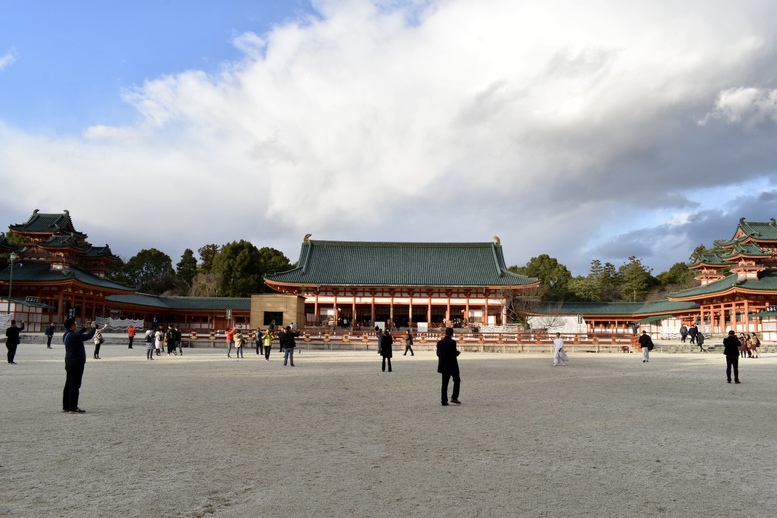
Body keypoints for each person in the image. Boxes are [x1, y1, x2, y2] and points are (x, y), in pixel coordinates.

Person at [62, 318, 100, 413]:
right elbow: (89, 336)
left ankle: (66, 405)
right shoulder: (74, 336)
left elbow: (77, 334)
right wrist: (93, 327)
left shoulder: (66, 335)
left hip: (69, 362)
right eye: (75, 324)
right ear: (72, 326)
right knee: (75, 385)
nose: (77, 325)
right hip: (77, 363)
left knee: (68, 385)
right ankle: (73, 407)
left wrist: (84, 328)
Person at [437, 327, 461, 406]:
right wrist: (457, 353)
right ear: (452, 334)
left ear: (445, 333)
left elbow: (438, 354)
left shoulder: (439, 343)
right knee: (457, 381)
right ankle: (454, 397)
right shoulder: (452, 342)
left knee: (444, 384)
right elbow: (453, 353)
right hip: (452, 365)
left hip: (444, 365)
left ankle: (444, 401)